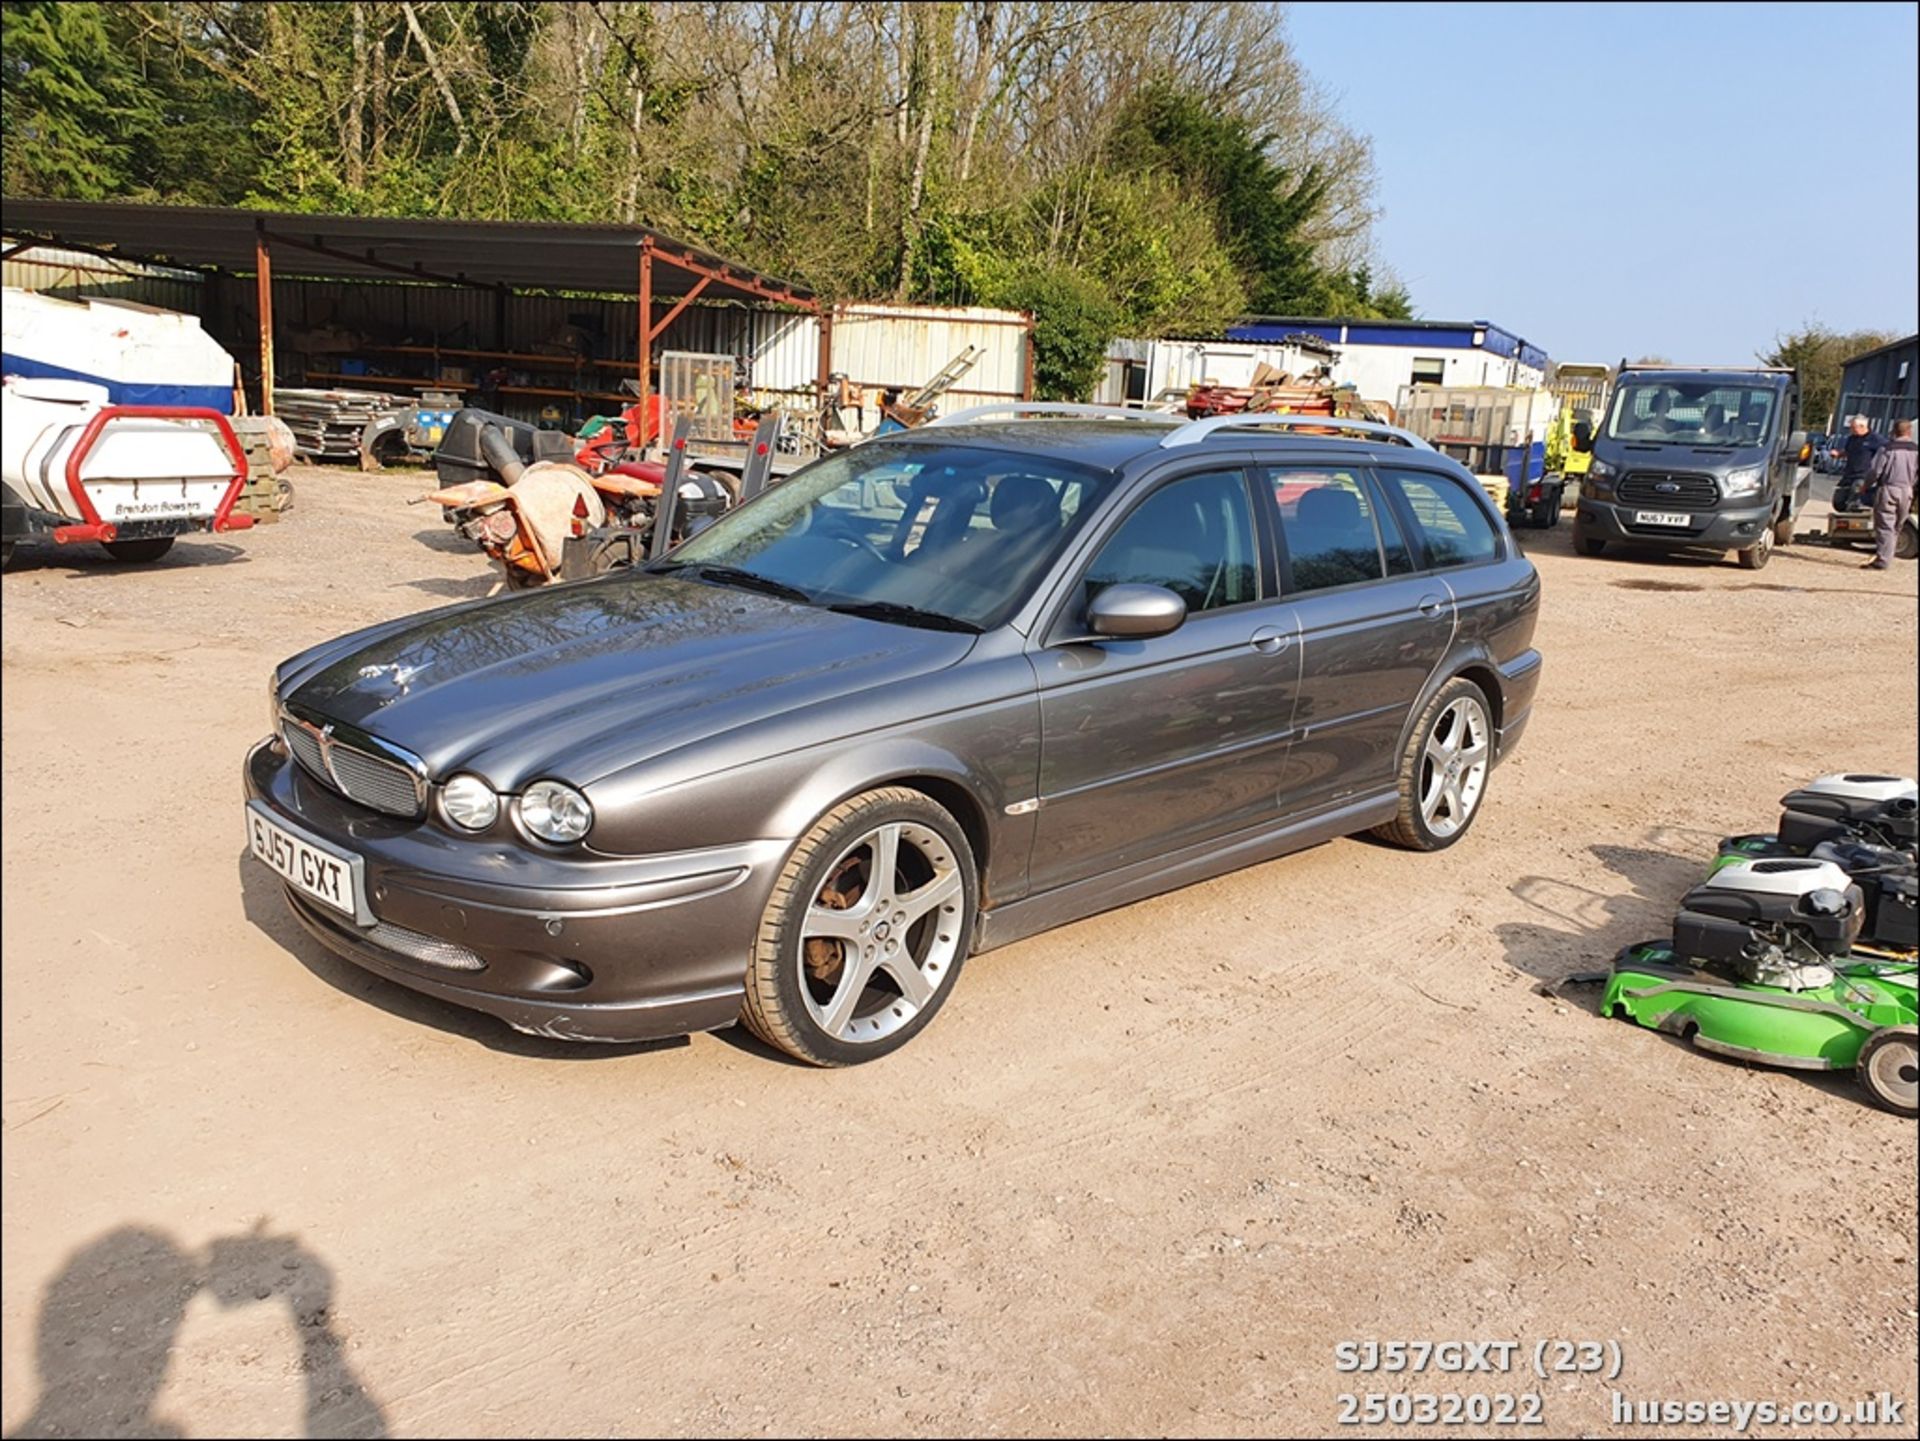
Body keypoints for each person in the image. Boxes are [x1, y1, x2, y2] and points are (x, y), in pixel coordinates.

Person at [1862, 417, 1915, 571]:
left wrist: (1866, 485)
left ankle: (1883, 560)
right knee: (1898, 525)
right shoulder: (1916, 450)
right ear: (1909, 432)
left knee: (1885, 525)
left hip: (1889, 489)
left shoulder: (1887, 449)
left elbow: (1875, 471)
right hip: (1908, 490)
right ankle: (1887, 555)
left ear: (1893, 431)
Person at [1835, 415, 1885, 511]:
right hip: (1848, 475)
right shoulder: (1852, 439)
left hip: (1863, 476)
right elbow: (1847, 451)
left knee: (1854, 500)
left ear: (1862, 426)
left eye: (1853, 427)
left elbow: (1887, 450)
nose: (1851, 430)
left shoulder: (1875, 439)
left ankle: (1852, 518)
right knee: (1838, 501)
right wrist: (1838, 454)